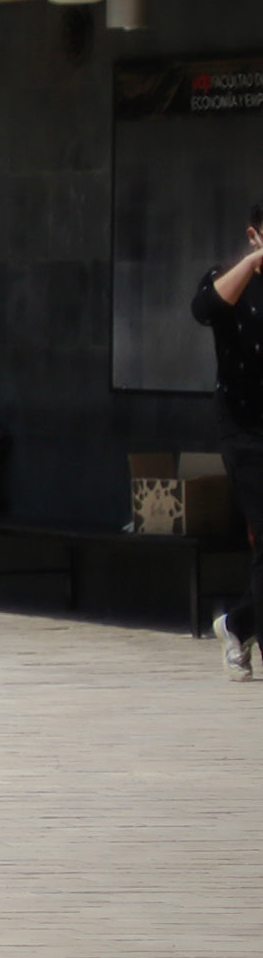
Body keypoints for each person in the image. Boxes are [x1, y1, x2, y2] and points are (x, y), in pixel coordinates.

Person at [196, 209, 263, 677]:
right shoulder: (227, 279)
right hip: (246, 432)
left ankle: (238, 624)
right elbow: (205, 309)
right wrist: (254, 262)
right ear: (254, 235)